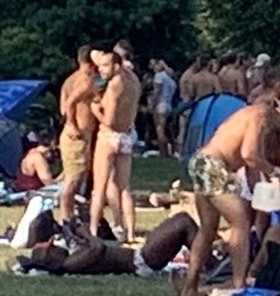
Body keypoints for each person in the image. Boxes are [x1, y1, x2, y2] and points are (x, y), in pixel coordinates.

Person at [176, 70, 280, 296]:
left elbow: (250, 167)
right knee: (240, 221)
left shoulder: (252, 115)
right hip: (213, 164)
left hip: (202, 161)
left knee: (208, 229)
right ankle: (239, 283)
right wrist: (275, 173)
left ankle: (189, 289)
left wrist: (260, 193)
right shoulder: (260, 115)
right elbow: (249, 155)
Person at [17, 213, 198, 277]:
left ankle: (207, 261)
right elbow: (98, 248)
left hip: (140, 255)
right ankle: (209, 264)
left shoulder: (72, 258)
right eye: (51, 249)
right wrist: (85, 233)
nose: (55, 246)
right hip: (141, 261)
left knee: (179, 221)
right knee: (183, 222)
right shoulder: (69, 265)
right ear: (50, 260)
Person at [89, 48, 142, 241]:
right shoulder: (134, 80)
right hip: (127, 135)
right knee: (125, 187)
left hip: (109, 136)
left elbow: (108, 120)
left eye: (104, 66)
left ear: (116, 65)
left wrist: (95, 109)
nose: (101, 70)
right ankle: (130, 232)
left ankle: (93, 230)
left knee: (99, 187)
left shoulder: (114, 86)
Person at [58, 45, 98, 224]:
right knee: (73, 180)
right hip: (77, 134)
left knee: (76, 177)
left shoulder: (70, 79)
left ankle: (73, 215)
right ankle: (65, 216)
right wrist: (72, 124)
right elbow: (70, 103)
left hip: (78, 134)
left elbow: (62, 106)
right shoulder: (85, 81)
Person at [149, 59, 178, 157]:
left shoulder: (159, 76)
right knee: (168, 131)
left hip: (160, 106)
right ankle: (174, 151)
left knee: (159, 130)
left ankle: (163, 153)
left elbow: (157, 91)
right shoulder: (170, 80)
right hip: (169, 105)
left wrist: (152, 104)